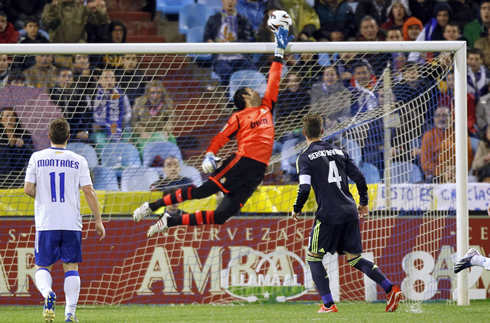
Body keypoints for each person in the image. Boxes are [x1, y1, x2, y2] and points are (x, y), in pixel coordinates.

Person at [132, 27, 293, 237]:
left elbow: (274, 79)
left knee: (221, 217)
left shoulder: (266, 106)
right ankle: (152, 206)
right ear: (245, 97)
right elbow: (220, 137)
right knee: (201, 191)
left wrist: (279, 51)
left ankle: (171, 221)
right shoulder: (238, 117)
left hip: (257, 171)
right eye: (251, 90)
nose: (256, 91)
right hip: (242, 161)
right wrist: (209, 153)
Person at [291, 114, 402, 313]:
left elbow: (305, 188)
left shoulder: (305, 157)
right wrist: (364, 203)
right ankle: (390, 288)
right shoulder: (339, 151)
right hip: (350, 211)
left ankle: (328, 304)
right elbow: (359, 177)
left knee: (314, 258)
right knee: (355, 258)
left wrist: (297, 208)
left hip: (328, 214)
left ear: (304, 133)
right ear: (323, 131)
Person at [24, 117, 105, 323]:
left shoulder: (37, 157)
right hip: (71, 222)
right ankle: (69, 314)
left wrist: (43, 197)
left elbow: (27, 189)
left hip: (47, 221)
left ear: (49, 136)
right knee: (71, 267)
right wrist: (98, 220)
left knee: (43, 266)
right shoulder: (79, 160)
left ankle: (48, 293)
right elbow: (89, 191)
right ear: (68, 137)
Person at [41, 0, 110, 43]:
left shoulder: (83, 9)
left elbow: (103, 22)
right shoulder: (50, 7)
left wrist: (97, 11)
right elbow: (47, 22)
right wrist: (53, 9)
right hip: (57, 50)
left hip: (79, 51)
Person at [0, 107, 34, 189]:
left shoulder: (24, 135)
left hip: (19, 178)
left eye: (12, 116)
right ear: (1, 120)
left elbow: (32, 156)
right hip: (1, 177)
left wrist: (24, 145)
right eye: (6, 116)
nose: (10, 119)